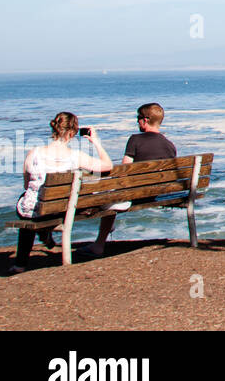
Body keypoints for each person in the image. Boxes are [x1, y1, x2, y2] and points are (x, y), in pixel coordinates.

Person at [9, 112, 113, 273]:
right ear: (72, 133)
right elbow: (108, 165)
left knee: (27, 203)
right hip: (60, 210)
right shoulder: (76, 156)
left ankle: (19, 264)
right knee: (52, 202)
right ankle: (44, 235)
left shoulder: (33, 153)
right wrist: (96, 143)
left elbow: (26, 185)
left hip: (34, 210)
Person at [89, 103, 178, 256]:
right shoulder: (169, 145)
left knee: (106, 194)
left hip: (135, 194)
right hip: (155, 194)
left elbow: (124, 171)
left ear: (145, 120)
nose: (137, 122)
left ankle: (99, 244)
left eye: (138, 118)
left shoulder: (135, 140)